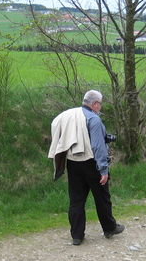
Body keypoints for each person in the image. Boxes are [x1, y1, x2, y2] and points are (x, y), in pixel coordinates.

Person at [48, 90, 124, 245]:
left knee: (76, 200)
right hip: (91, 164)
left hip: (73, 163)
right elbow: (97, 147)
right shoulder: (93, 119)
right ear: (95, 104)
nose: (100, 107)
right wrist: (103, 170)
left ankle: (77, 235)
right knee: (102, 197)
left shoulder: (69, 116)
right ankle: (109, 228)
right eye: (100, 104)